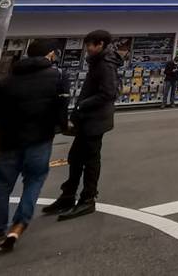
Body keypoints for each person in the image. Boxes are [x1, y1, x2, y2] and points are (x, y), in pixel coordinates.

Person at [0, 40, 69, 252]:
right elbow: (61, 110)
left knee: (2, 186)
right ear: (50, 55)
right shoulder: (57, 77)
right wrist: (63, 126)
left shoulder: (7, 79)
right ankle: (19, 224)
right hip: (40, 138)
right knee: (34, 180)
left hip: (8, 140)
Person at [43, 30, 122, 221]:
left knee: (90, 160)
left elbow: (109, 92)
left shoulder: (105, 64)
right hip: (89, 119)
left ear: (100, 44)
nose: (87, 48)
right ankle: (68, 195)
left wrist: (82, 104)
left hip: (95, 120)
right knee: (76, 157)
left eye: (90, 44)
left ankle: (87, 198)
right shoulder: (98, 61)